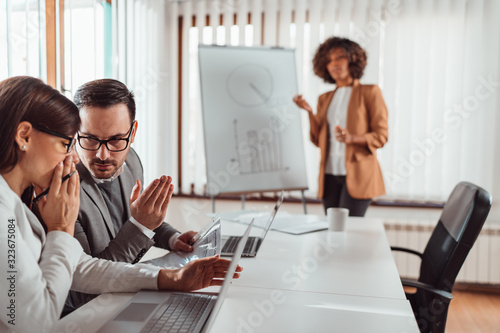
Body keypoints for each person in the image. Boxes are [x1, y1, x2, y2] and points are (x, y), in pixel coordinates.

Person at [0, 76, 241, 332]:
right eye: (64, 143)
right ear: (24, 136)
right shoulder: (21, 205)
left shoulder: (13, 203)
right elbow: (38, 321)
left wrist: (174, 278)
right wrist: (60, 228)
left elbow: (80, 266)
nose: (71, 157)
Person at [65, 79, 199, 311]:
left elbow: (136, 218)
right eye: (91, 139)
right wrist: (140, 225)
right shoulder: (62, 188)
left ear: (133, 132)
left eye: (116, 139)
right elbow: (85, 289)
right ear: (75, 134)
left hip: (123, 297)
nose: (103, 154)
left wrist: (171, 238)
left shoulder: (131, 160)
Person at [293, 37, 388, 217]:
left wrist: (351, 138)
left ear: (352, 60)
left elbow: (381, 136)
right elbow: (317, 140)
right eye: (328, 61)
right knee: (332, 229)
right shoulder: (324, 98)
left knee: (349, 229)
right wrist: (309, 112)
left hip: (359, 175)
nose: (334, 64)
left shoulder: (370, 92)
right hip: (329, 174)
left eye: (339, 58)